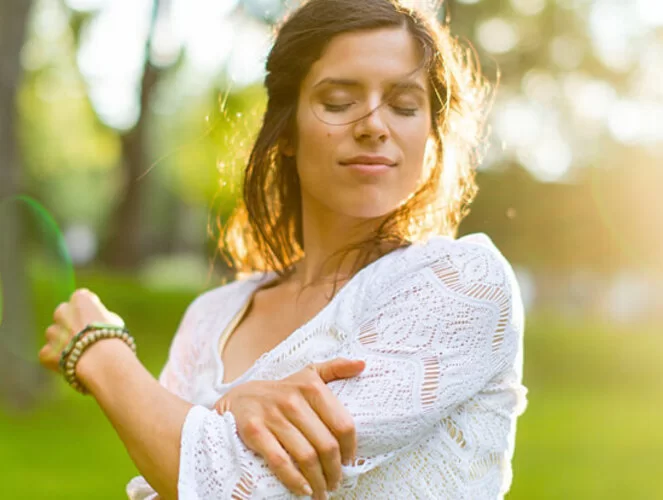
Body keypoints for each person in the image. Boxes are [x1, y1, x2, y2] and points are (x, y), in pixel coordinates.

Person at [38, 0, 528, 498]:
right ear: (287, 128)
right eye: (339, 102)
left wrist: (99, 351)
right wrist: (229, 409)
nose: (375, 125)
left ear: (428, 133)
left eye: (404, 106)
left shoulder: (462, 283)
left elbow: (233, 482)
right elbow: (159, 486)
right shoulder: (211, 316)